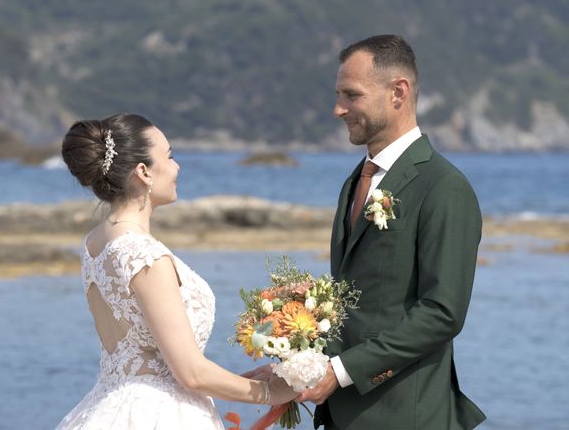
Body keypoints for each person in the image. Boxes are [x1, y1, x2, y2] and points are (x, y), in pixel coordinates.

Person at [56, 113, 297, 429]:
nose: (176, 166)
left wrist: (235, 381)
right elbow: (191, 374)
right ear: (143, 172)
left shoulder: (95, 242)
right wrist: (271, 392)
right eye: (169, 156)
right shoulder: (144, 256)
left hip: (110, 405)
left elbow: (149, 360)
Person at [299, 35, 486, 429]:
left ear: (398, 92)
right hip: (342, 414)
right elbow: (360, 296)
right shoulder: (355, 182)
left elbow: (442, 313)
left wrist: (342, 371)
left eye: (352, 95)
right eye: (338, 95)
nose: (338, 109)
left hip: (405, 414)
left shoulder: (443, 186)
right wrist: (302, 345)